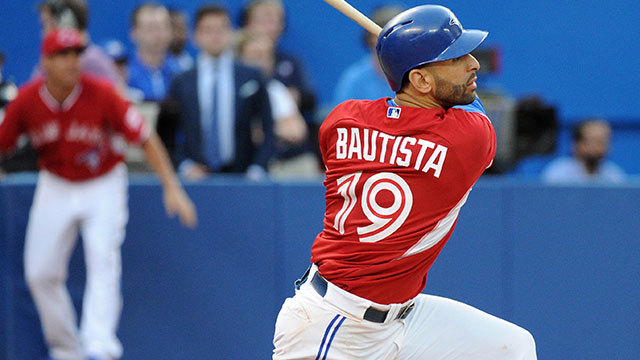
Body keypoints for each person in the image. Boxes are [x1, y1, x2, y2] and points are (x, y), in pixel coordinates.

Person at [273, 5, 537, 359]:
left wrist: (402, 62)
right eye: (455, 57)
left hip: (403, 316)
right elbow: (468, 108)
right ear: (422, 81)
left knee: (512, 348)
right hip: (336, 325)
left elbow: (392, 118)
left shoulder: (342, 119)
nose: (474, 64)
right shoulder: (467, 140)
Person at [0, 29, 197, 360]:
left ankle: (99, 347)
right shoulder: (28, 99)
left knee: (102, 259)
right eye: (63, 55)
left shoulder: (102, 93)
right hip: (56, 182)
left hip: (103, 181)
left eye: (77, 54)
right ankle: (66, 350)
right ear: (45, 61)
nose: (73, 62)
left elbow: (146, 137)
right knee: (40, 272)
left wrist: (171, 187)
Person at [157, 4, 274, 181]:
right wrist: (184, 165)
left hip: (243, 176)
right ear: (195, 36)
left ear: (231, 33)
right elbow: (166, 133)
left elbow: (268, 125)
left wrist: (258, 167)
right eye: (208, 30)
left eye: (221, 29)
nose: (215, 36)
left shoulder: (251, 76)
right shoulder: (181, 81)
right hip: (196, 178)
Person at [235, 30, 319, 177]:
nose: (261, 62)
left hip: (283, 160)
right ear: (240, 58)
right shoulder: (229, 91)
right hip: (240, 163)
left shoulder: (276, 89)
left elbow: (296, 131)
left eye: (266, 56)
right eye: (255, 56)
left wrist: (264, 128)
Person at [35, 0, 124, 90]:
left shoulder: (91, 62)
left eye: (46, 24)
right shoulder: (50, 60)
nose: (43, 33)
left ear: (66, 24)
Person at [332, 4, 404, 107]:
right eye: (385, 32)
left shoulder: (418, 78)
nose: (389, 41)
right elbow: (343, 118)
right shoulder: (354, 80)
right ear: (370, 39)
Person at [541, 119, 626, 183]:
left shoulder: (614, 176)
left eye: (604, 141)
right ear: (577, 144)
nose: (599, 147)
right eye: (593, 140)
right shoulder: (557, 175)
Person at [128, 3, 181, 102]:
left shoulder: (180, 73)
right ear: (134, 32)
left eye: (164, 27)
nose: (159, 34)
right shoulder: (124, 74)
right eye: (151, 27)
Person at [168, 7, 195, 72]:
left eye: (183, 29)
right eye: (176, 29)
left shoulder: (189, 62)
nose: (181, 35)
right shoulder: (156, 64)